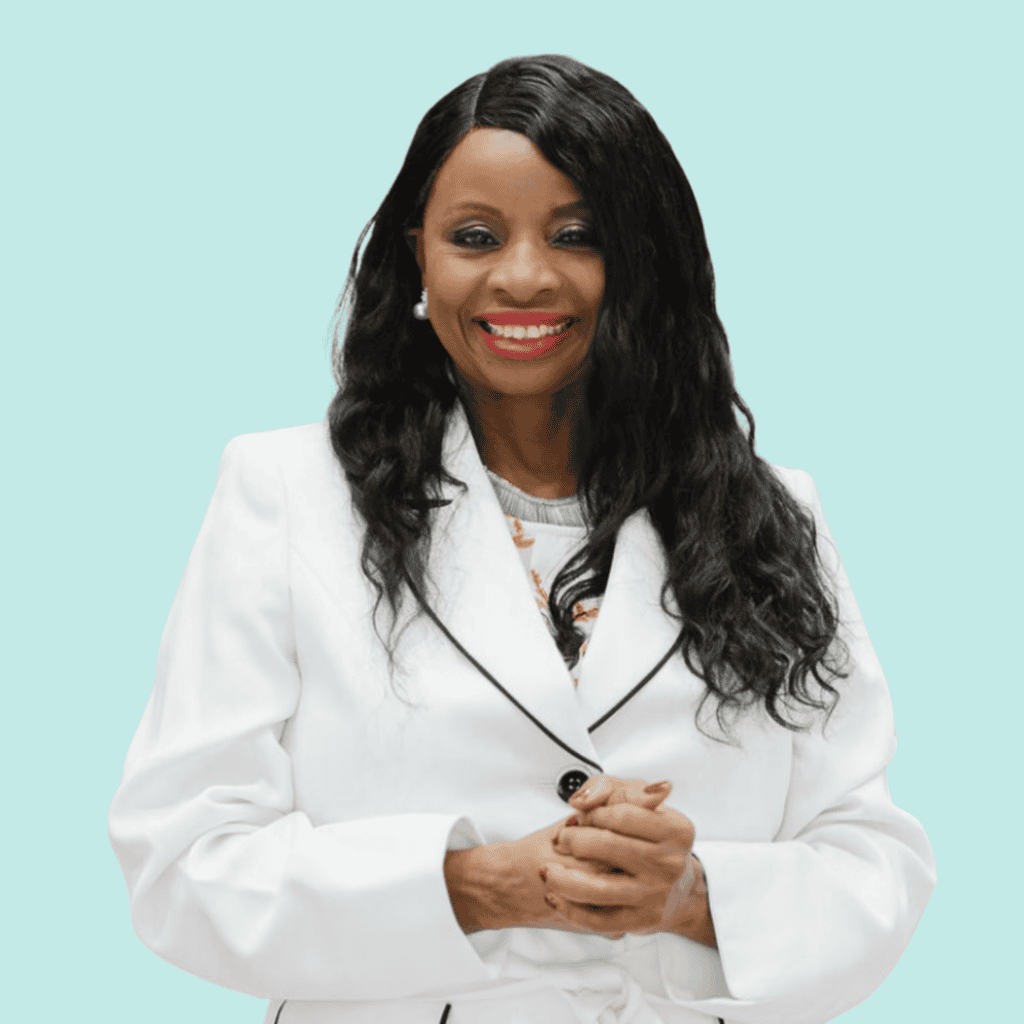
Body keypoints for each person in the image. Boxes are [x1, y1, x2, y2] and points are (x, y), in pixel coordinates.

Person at [108, 54, 936, 1024]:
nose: (523, 277)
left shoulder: (768, 515)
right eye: (474, 236)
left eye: (576, 235)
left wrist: (693, 896)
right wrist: (475, 885)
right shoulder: (286, 496)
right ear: (417, 257)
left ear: (640, 261)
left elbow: (872, 865)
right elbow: (181, 861)